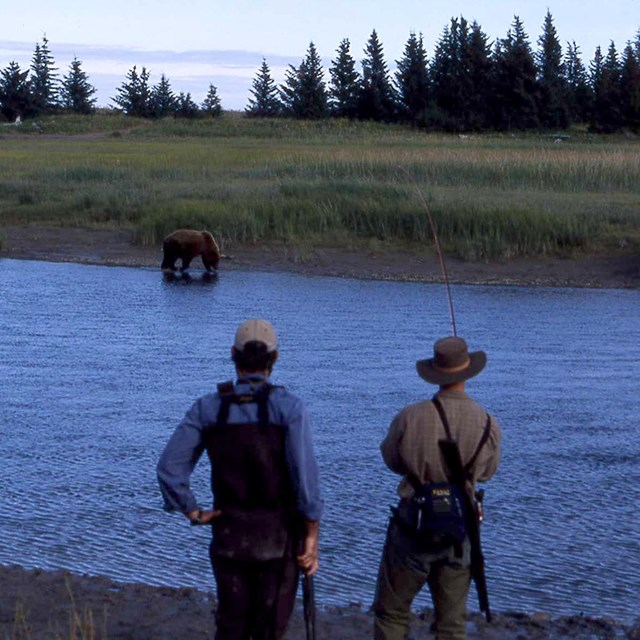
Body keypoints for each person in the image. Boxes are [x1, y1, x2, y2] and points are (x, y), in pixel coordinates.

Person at [157, 318, 323, 640]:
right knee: (268, 629)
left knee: (230, 627)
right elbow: (306, 480)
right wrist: (311, 536)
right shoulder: (290, 408)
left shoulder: (209, 407)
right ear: (274, 358)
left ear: (233, 354)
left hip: (229, 535)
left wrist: (193, 511)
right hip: (278, 539)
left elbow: (169, 468)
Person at [373, 336, 501, 640]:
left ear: (435, 372)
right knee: (451, 625)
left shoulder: (410, 416)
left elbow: (391, 460)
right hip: (460, 531)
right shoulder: (487, 422)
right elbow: (487, 474)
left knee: (391, 613)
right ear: (467, 372)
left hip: (412, 527)